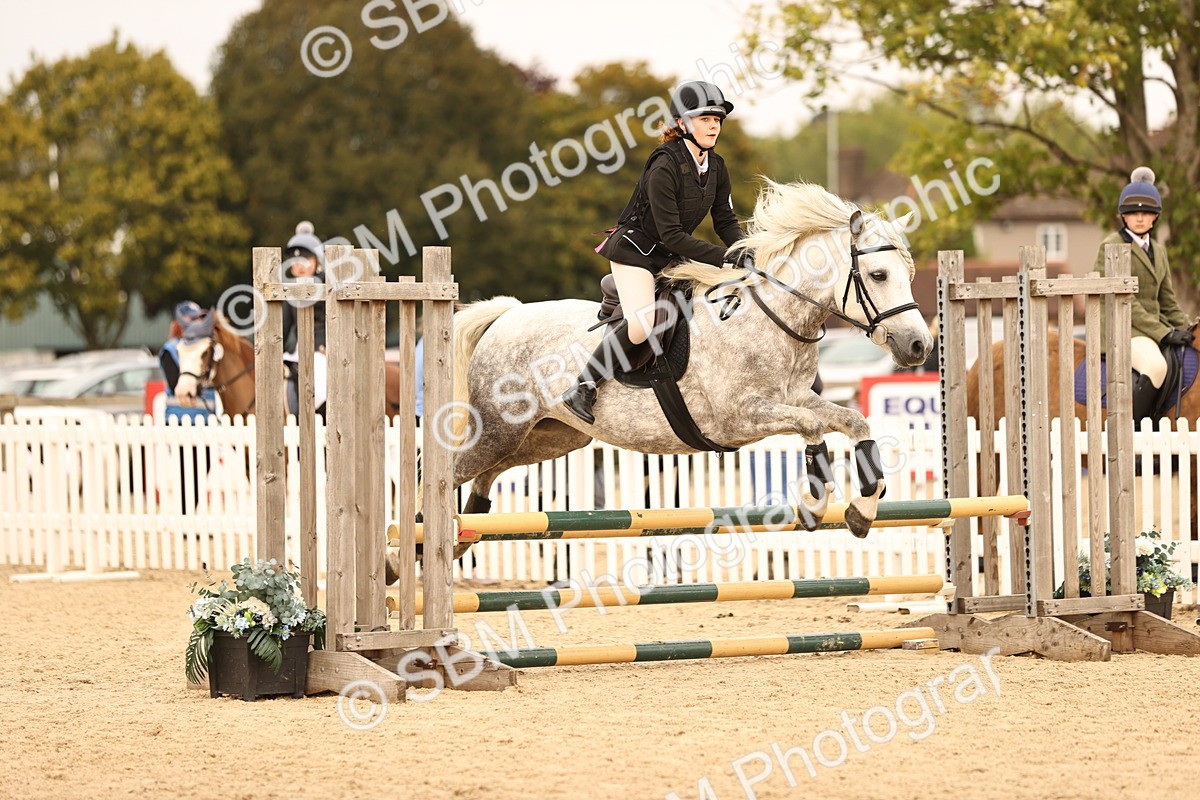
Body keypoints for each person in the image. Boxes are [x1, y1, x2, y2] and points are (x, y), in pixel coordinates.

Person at [561, 80, 747, 424]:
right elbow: (674, 236)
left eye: (717, 119)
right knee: (643, 323)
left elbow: (725, 220)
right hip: (635, 252)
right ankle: (583, 386)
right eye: (704, 118)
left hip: (668, 256)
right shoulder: (664, 165)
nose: (713, 125)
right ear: (682, 123)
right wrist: (724, 258)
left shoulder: (717, 166)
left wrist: (744, 248)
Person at [1094, 167, 1192, 420]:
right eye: (1133, 213)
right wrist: (1165, 333)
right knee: (1156, 366)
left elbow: (1166, 299)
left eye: (1146, 213)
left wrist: (1186, 327)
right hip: (1122, 330)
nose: (1139, 218)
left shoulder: (1158, 251)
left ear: (1155, 217)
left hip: (1149, 331)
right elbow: (1127, 303)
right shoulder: (1111, 246)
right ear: (1123, 216)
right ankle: (1130, 433)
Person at [281, 221, 328, 416]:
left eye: (306, 260)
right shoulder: (289, 289)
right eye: (295, 261)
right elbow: (283, 328)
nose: (299, 266)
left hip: (324, 348)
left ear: (317, 262)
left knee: (320, 378)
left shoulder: (328, 284)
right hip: (298, 349)